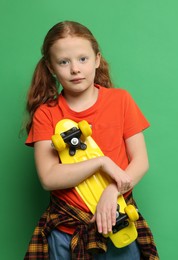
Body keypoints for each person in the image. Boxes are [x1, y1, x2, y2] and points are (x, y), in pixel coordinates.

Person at [23, 21, 159, 259]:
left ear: (97, 59)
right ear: (51, 67)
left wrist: (113, 191)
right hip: (66, 232)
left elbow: (140, 161)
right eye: (64, 62)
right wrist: (100, 162)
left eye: (83, 59)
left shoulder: (121, 100)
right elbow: (49, 177)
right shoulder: (46, 113)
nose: (75, 69)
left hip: (119, 224)